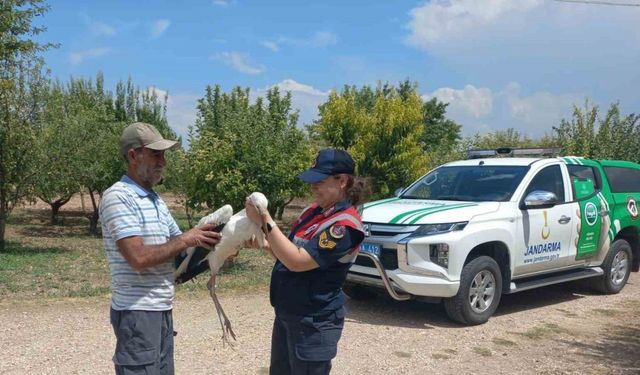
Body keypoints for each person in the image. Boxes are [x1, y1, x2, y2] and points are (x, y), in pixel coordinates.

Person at [99, 122, 221, 375]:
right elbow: (138, 258)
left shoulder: (155, 200)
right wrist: (186, 240)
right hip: (137, 313)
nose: (163, 161)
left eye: (164, 155)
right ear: (133, 156)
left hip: (161, 310)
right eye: (156, 154)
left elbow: (180, 255)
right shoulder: (118, 197)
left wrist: (219, 248)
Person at [245, 148, 366, 375]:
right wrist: (265, 244)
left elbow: (299, 262)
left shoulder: (345, 226)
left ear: (342, 181)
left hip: (313, 321)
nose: (313, 187)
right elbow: (288, 253)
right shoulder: (314, 211)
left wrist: (265, 218)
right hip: (290, 313)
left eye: (319, 181)